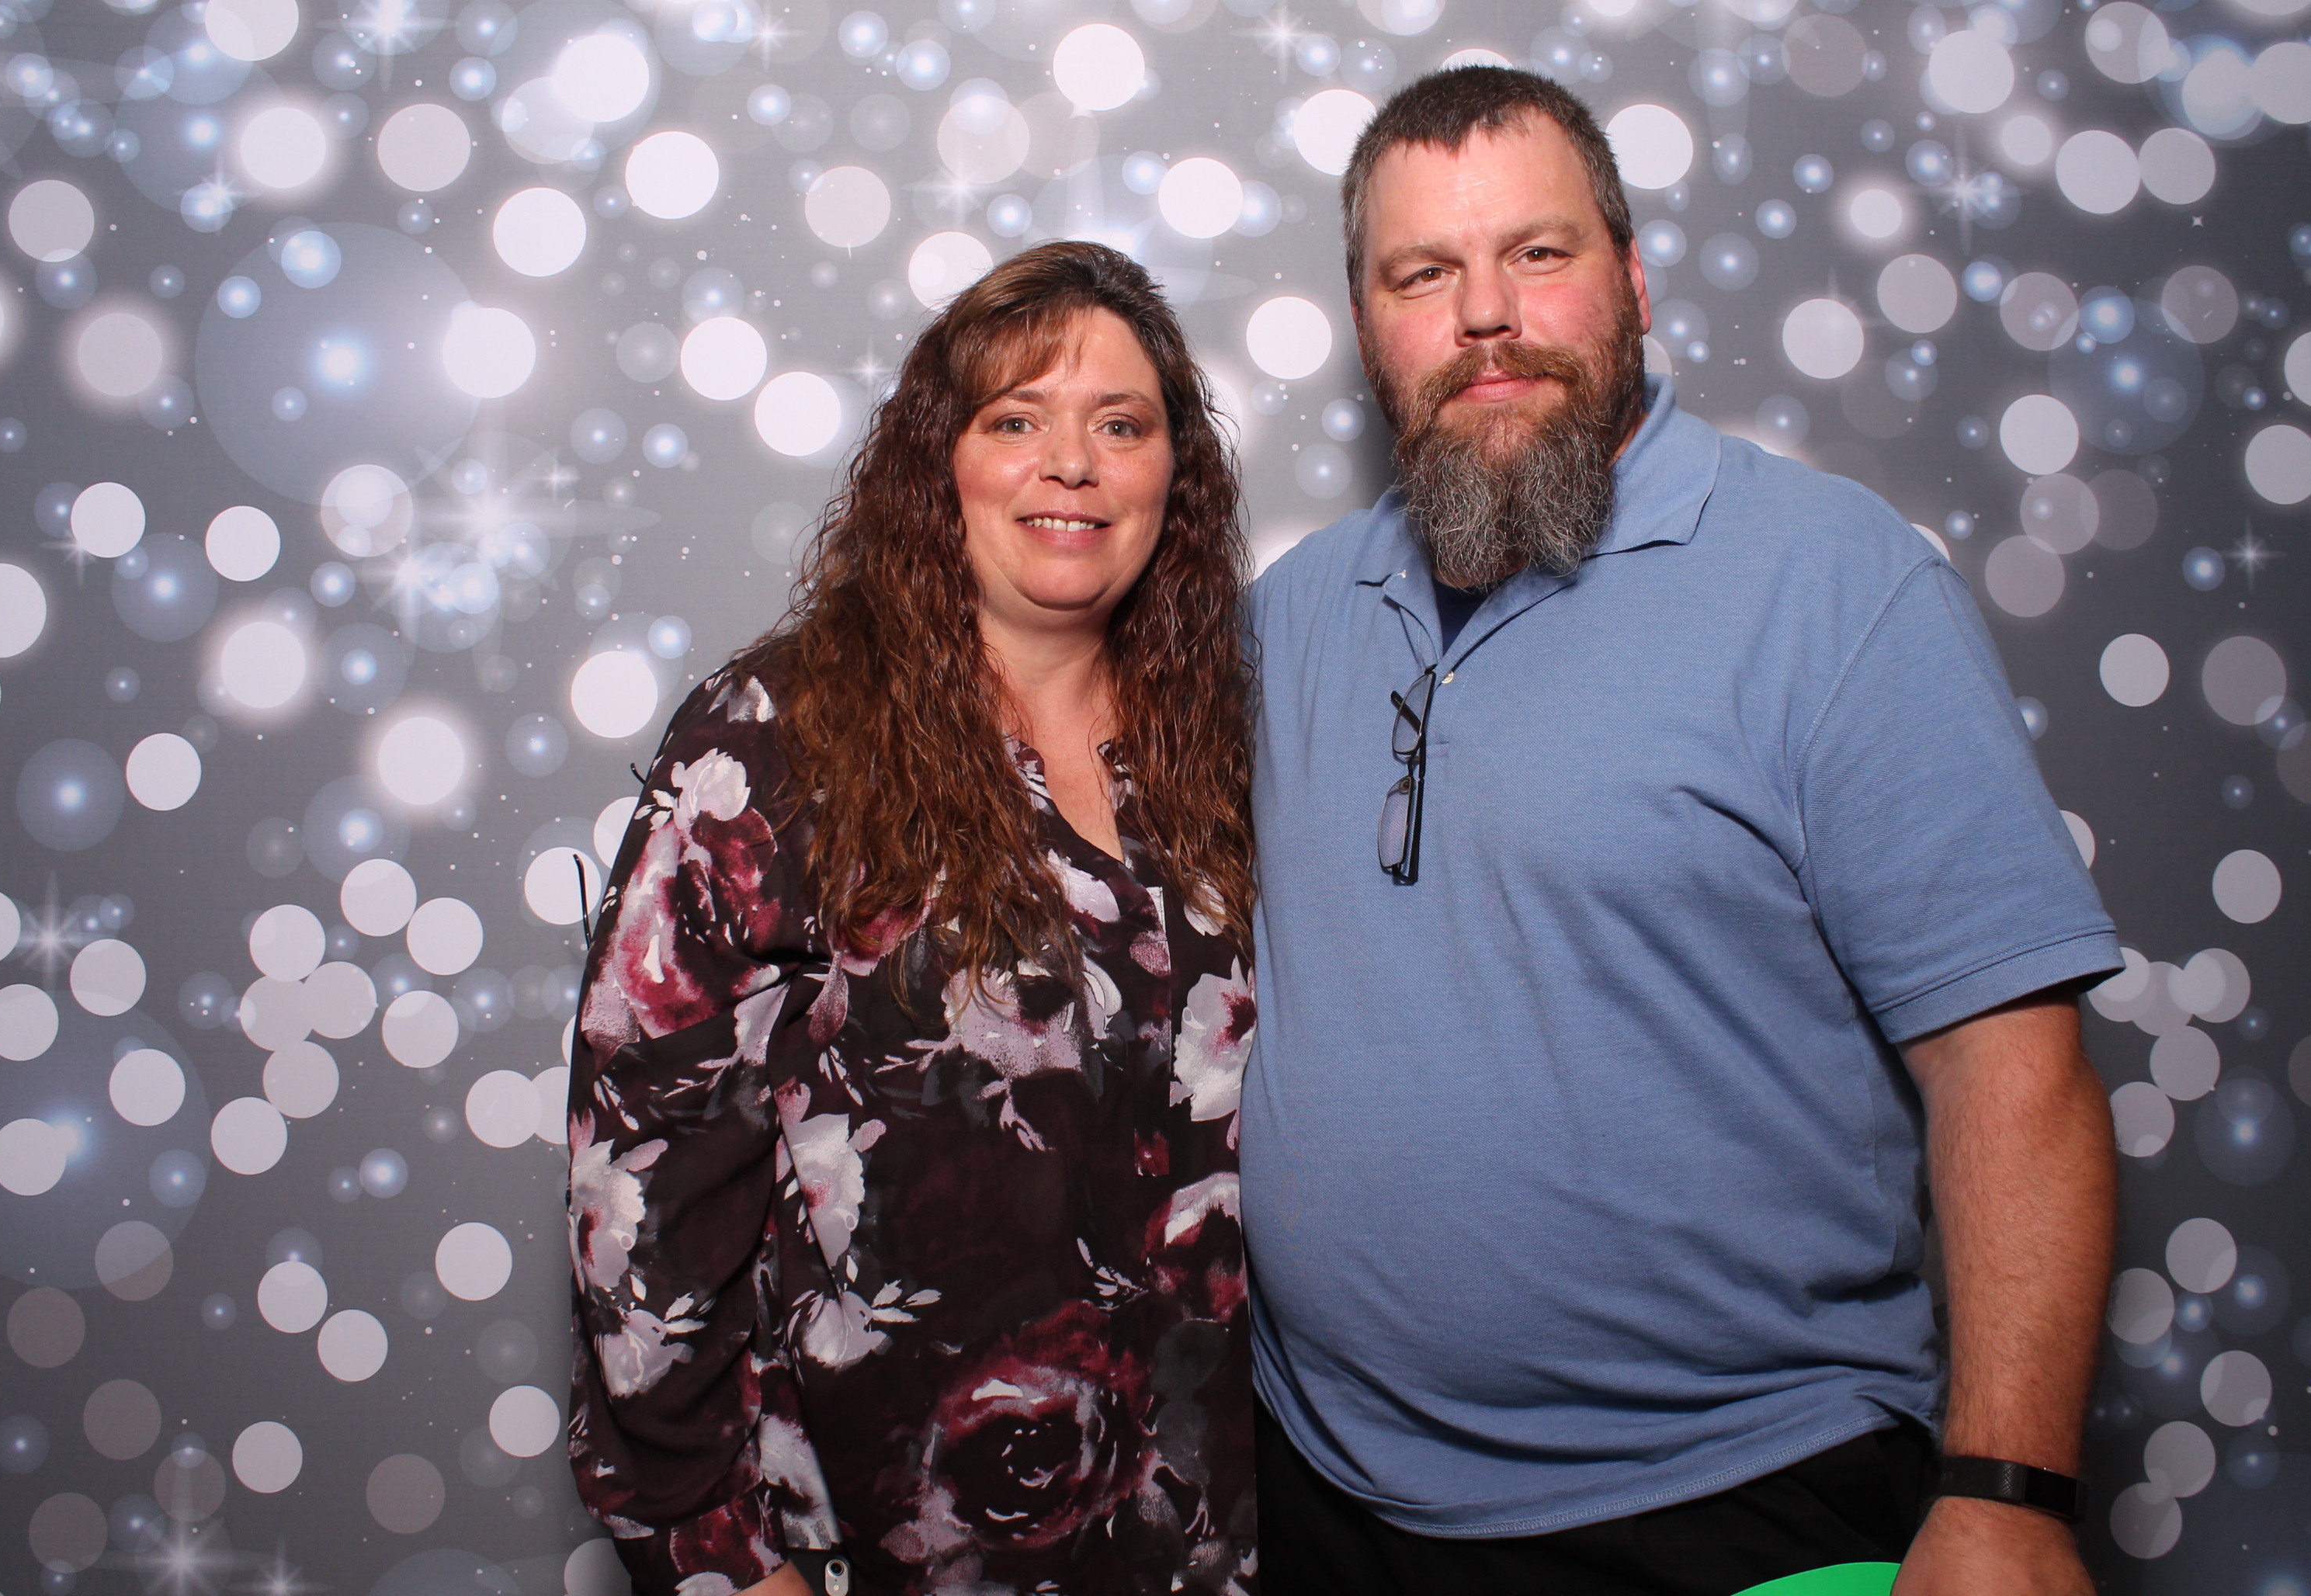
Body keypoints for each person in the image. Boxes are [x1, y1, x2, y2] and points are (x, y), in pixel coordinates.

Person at [1242, 66, 2122, 1595]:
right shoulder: (1293, 614)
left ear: (1630, 279)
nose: (1483, 316)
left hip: (1726, 1507)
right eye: (1421, 274)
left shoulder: (1829, 585)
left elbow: (2008, 1063)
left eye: (1536, 253)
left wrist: (2006, 1492)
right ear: (1366, 323)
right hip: (1319, 1500)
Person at [567, 241, 1260, 1596]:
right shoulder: (778, 739)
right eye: (1017, 421)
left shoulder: (1226, 744)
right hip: (874, 1543)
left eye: (1120, 426)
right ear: (938, 460)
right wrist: (720, 1554)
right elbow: (638, 1178)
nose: (1072, 465)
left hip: (1205, 1534)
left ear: (1174, 476)